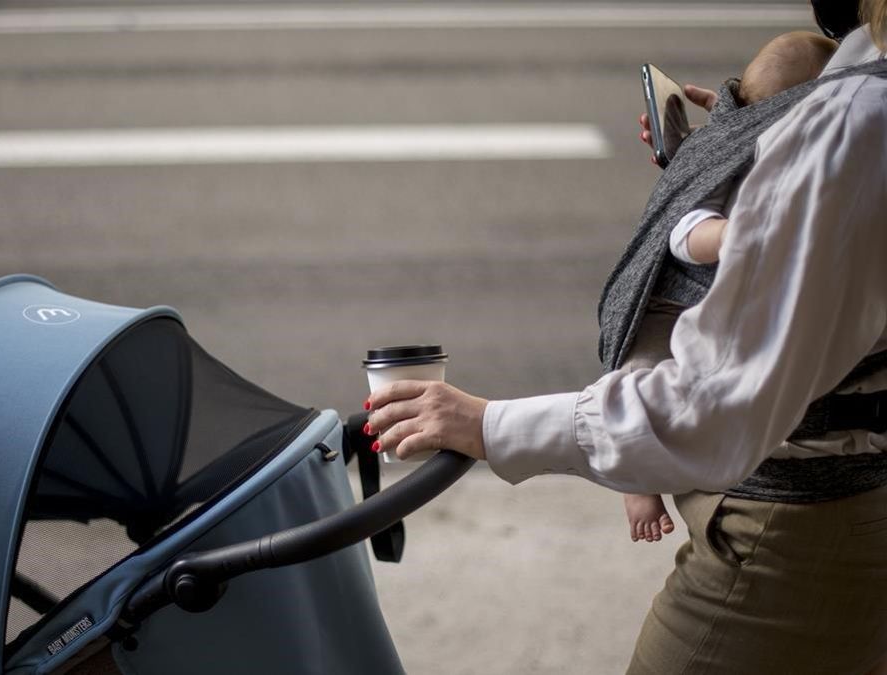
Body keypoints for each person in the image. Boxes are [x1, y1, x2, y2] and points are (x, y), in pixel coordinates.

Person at [363, 1, 887, 671]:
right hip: (827, 515)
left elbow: (711, 403)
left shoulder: (854, 123)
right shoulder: (855, 95)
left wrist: (486, 425)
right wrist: (737, 157)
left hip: (788, 538)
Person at [622, 29, 839, 544]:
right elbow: (685, 227)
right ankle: (635, 479)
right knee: (636, 379)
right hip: (672, 302)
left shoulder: (781, 150)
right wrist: (733, 233)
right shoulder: (745, 154)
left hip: (719, 303)